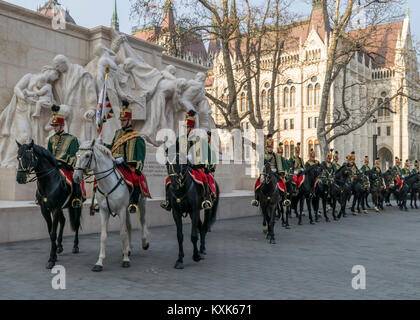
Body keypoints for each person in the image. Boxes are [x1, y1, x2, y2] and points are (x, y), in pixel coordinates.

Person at [161, 110, 213, 211]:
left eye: (187, 127)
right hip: (182, 168)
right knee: (168, 180)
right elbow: (173, 149)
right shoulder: (180, 139)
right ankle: (168, 201)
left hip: (196, 167)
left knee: (204, 178)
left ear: (192, 128)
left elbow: (207, 153)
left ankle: (206, 199)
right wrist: (168, 148)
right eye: (184, 127)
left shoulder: (199, 139)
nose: (185, 129)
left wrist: (207, 166)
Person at [105, 101, 148, 214]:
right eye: (121, 120)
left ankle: (134, 202)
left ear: (130, 121)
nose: (122, 123)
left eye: (124, 120)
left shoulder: (137, 137)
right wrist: (103, 145)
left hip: (128, 165)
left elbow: (141, 155)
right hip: (114, 163)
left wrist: (135, 165)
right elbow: (112, 146)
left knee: (134, 177)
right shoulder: (117, 133)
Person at [47, 105, 83, 208]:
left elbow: (73, 156)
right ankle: (40, 196)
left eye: (56, 125)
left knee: (74, 177)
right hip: (54, 166)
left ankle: (76, 198)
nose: (54, 128)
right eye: (53, 126)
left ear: (62, 125)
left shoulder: (72, 139)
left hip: (66, 166)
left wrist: (62, 161)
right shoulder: (51, 139)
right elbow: (49, 153)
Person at [251, 135, 286, 207]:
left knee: (282, 183)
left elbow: (279, 164)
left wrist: (280, 171)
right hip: (265, 172)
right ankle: (256, 200)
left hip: (274, 172)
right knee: (257, 184)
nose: (270, 149)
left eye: (271, 147)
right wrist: (262, 171)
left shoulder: (276, 155)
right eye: (269, 147)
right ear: (266, 148)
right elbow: (259, 165)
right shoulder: (262, 155)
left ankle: (284, 199)